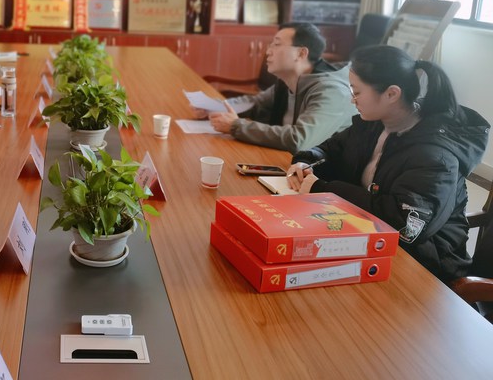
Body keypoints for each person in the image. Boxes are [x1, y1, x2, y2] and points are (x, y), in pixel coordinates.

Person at [288, 45, 490, 283]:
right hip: (367, 239)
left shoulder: (434, 155)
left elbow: (406, 226)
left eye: (357, 92)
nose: (352, 99)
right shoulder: (375, 122)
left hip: (424, 266)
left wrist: (324, 190)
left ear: (391, 94)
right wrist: (305, 161)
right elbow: (331, 149)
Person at [198, 23, 355, 152]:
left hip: (320, 172)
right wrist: (214, 107)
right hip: (289, 161)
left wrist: (236, 126)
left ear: (301, 54)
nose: (268, 51)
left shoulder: (332, 92)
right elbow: (255, 103)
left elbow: (299, 139)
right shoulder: (287, 81)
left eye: (277, 44)